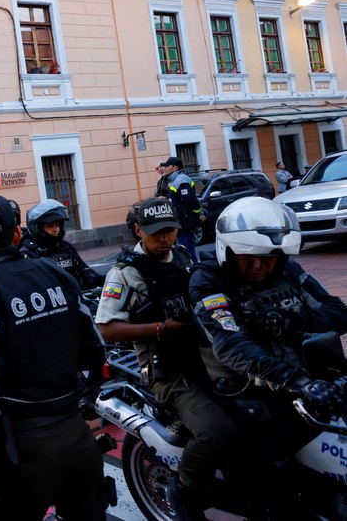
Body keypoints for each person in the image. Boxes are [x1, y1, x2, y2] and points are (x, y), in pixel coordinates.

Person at [0, 195, 108, 520]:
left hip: (24, 451)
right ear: (17, 234)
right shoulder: (55, 273)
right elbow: (95, 351)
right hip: (79, 438)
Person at [188, 197, 347, 510]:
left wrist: (289, 320)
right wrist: (298, 382)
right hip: (246, 394)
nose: (259, 266)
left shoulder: (288, 271)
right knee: (276, 497)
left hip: (303, 382)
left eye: (269, 257)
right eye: (248, 256)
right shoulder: (209, 281)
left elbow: (339, 313)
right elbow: (232, 347)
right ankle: (192, 498)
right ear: (228, 249)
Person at [96, 198, 238, 519]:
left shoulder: (183, 256)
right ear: (138, 230)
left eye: (170, 231)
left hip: (208, 359)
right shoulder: (126, 273)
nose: (164, 238)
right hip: (170, 374)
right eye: (156, 232)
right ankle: (184, 492)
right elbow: (105, 328)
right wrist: (162, 328)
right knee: (216, 430)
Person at [20, 199, 104, 289]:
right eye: (49, 226)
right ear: (37, 229)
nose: (55, 229)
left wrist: (108, 280)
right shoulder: (29, 253)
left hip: (76, 299)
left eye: (57, 225)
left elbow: (86, 274)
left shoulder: (66, 247)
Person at [160, 156, 205, 261]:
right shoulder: (175, 180)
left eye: (167, 166)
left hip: (184, 222)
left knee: (186, 251)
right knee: (185, 251)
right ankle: (192, 268)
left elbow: (191, 201)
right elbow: (177, 200)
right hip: (181, 221)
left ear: (175, 168)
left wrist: (200, 214)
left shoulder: (182, 181)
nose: (165, 168)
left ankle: (192, 270)